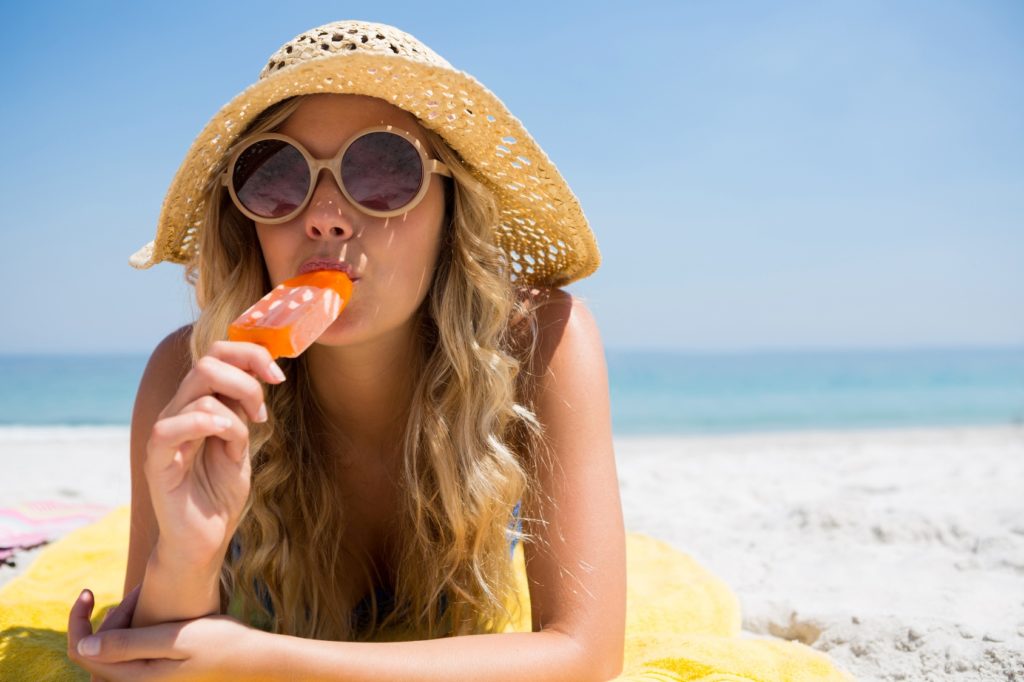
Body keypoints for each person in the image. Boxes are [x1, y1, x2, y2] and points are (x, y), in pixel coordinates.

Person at [67, 19, 625, 681]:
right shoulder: (187, 377)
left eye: (383, 170)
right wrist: (186, 555)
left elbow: (585, 655)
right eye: (275, 176)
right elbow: (156, 665)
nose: (325, 215)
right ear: (246, 219)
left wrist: (257, 660)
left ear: (452, 206)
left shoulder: (541, 345)